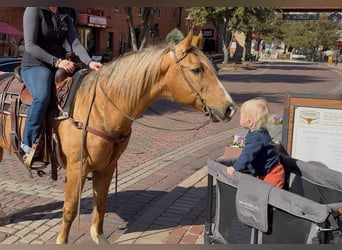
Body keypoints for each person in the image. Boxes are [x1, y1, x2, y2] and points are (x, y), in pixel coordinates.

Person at [20, 7, 102, 166]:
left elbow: (75, 42)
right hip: (36, 65)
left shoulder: (67, 13)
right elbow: (30, 45)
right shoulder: (34, 10)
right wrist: (57, 62)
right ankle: (27, 143)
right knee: (42, 97)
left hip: (60, 64)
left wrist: (89, 62)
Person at [226, 98, 285, 188]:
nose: (240, 118)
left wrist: (235, 167)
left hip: (272, 174)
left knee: (268, 195)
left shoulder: (256, 137)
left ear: (249, 122)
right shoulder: (260, 131)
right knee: (260, 192)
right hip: (265, 171)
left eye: (241, 116)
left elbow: (247, 155)